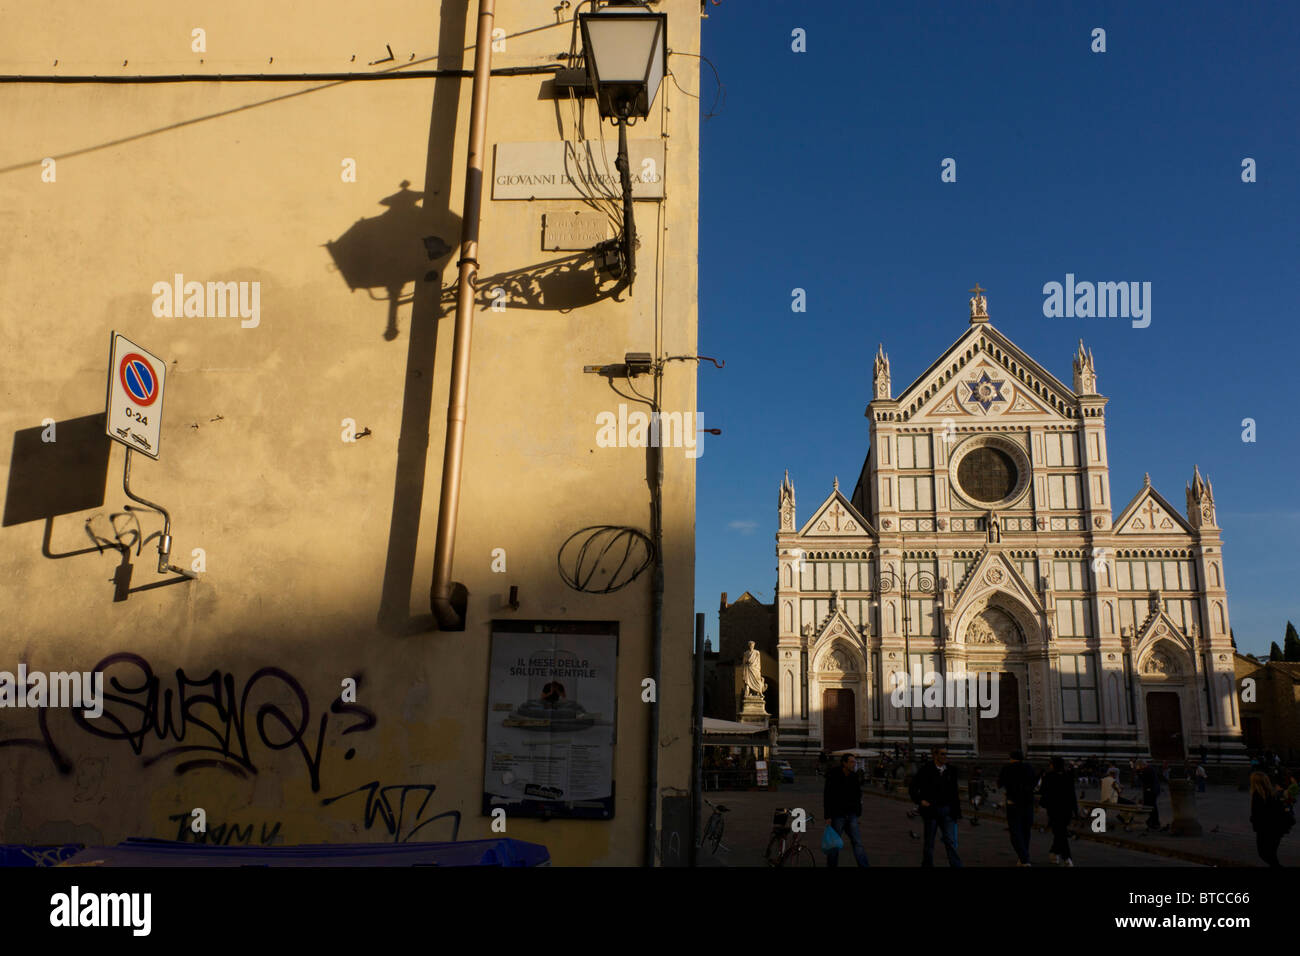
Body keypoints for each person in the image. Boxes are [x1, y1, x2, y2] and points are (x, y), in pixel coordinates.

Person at [910, 746, 963, 867]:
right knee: (929, 842)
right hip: (931, 810)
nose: (945, 757)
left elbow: (954, 792)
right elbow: (913, 787)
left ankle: (956, 864)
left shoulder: (951, 770)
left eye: (946, 754)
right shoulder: (926, 770)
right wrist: (920, 801)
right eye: (942, 754)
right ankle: (927, 864)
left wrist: (956, 811)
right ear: (935, 755)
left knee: (950, 840)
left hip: (947, 810)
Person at [823, 753, 870, 867]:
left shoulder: (854, 776)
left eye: (854, 762)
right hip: (837, 815)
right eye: (851, 762)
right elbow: (828, 796)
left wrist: (858, 812)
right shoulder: (833, 775)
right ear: (844, 763)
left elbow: (858, 795)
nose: (854, 764)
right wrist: (828, 816)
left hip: (851, 815)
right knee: (834, 844)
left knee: (857, 843)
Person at [997, 750, 1038, 866]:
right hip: (1028, 803)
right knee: (1026, 831)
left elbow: (999, 783)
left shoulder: (1007, 768)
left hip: (1013, 803)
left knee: (1015, 832)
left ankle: (1024, 858)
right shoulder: (1029, 768)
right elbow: (1035, 782)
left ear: (1011, 758)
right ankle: (1023, 857)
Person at [1040, 756, 1078, 866]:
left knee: (1060, 833)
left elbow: (1043, 791)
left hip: (1054, 809)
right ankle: (1054, 853)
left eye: (1050, 763)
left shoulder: (1048, 776)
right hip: (1066, 809)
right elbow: (1072, 794)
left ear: (1053, 765)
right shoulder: (1068, 776)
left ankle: (1067, 858)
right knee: (1060, 832)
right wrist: (1075, 811)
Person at [1249, 771, 1291, 867]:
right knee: (1271, 854)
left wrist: (1253, 820)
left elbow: (1257, 815)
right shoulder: (1273, 793)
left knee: (1264, 853)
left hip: (1265, 829)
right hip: (1278, 829)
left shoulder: (1257, 795)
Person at [1138, 759, 1162, 830]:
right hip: (1153, 790)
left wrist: (1138, 772)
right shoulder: (1149, 769)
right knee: (1152, 806)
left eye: (1139, 766)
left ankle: (1154, 822)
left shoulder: (1147, 770)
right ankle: (1153, 821)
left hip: (1151, 791)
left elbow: (1144, 779)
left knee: (1151, 806)